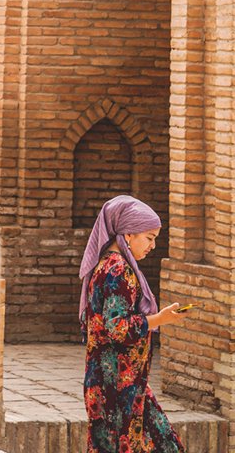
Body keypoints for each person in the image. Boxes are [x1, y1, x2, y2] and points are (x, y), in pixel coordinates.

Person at [78, 194, 187, 452]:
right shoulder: (118, 269)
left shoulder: (107, 264)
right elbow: (119, 328)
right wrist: (161, 319)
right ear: (128, 235)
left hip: (117, 383)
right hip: (117, 388)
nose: (152, 246)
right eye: (149, 238)